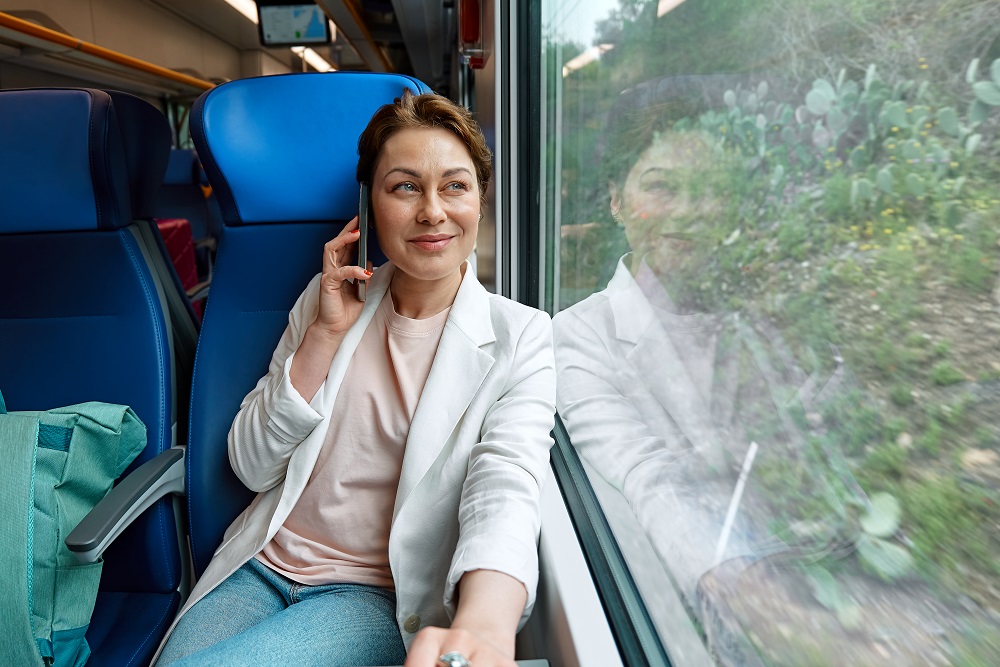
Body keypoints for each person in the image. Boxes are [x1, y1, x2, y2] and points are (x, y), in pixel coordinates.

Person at [154, 90, 556, 667]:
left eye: (455, 186)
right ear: (370, 205)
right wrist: (323, 334)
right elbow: (250, 464)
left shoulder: (521, 336)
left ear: (480, 201)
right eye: (405, 187)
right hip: (263, 563)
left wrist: (486, 627)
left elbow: (506, 485)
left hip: (373, 593)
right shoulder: (330, 300)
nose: (433, 212)